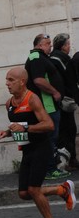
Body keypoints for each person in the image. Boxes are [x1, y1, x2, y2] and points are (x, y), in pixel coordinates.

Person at [0, 67, 75, 218]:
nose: (7, 83)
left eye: (11, 80)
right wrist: (8, 133)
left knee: (34, 189)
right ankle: (62, 190)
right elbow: (18, 125)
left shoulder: (32, 99)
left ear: (22, 82)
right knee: (24, 193)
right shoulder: (9, 104)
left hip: (41, 147)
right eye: (6, 80)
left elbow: (49, 125)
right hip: (27, 150)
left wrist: (25, 128)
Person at [24, 33, 69, 180]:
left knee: (51, 137)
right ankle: (50, 169)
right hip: (46, 105)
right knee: (50, 137)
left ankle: (48, 168)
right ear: (39, 45)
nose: (50, 45)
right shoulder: (36, 58)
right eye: (47, 43)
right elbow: (38, 80)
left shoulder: (41, 57)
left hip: (49, 105)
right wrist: (55, 92)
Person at [50, 34, 79, 170]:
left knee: (68, 130)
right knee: (67, 130)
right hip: (63, 100)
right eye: (67, 44)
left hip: (62, 99)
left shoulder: (57, 58)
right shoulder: (60, 59)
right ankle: (66, 161)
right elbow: (67, 79)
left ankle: (69, 159)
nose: (69, 47)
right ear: (62, 46)